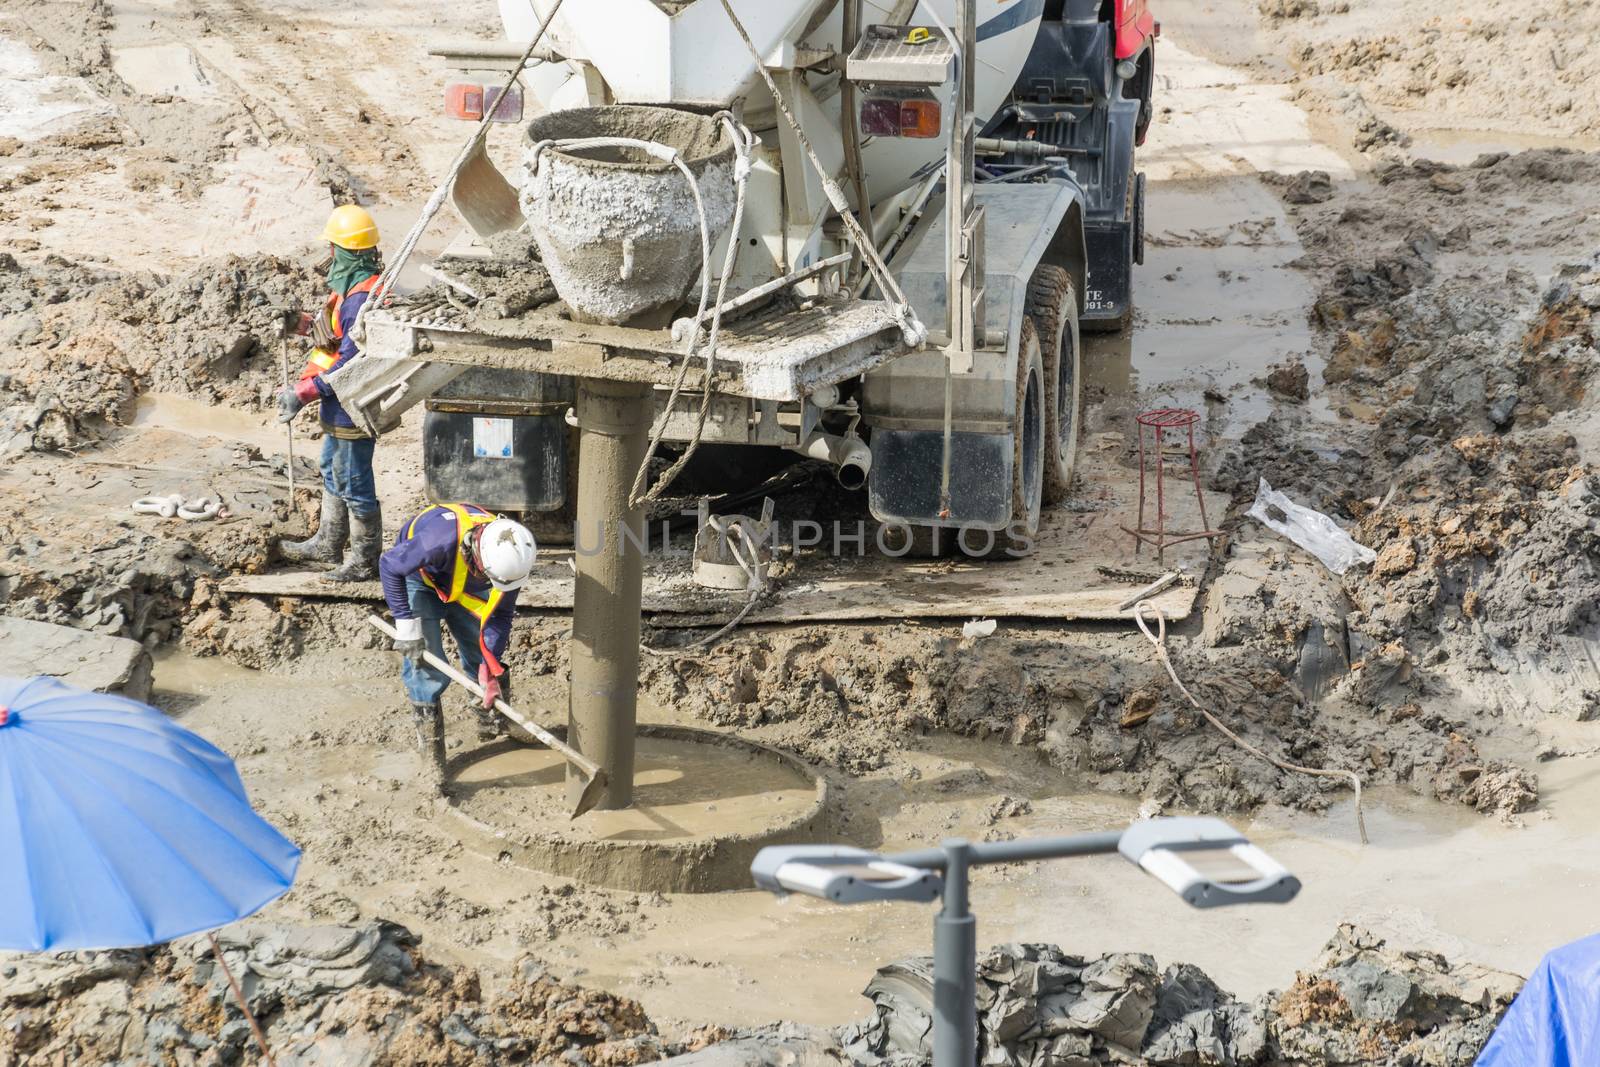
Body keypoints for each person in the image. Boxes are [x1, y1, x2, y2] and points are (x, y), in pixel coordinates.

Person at [379, 503, 538, 790]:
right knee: (425, 666)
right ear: (478, 558)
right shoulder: (436, 541)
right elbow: (389, 565)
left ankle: (495, 727)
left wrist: (489, 668)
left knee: (483, 657)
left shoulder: (512, 557)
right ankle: (433, 759)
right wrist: (406, 627)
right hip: (423, 580)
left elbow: (499, 616)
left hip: (467, 585)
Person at [277, 204, 385, 583]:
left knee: (354, 481)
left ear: (347, 251)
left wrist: (304, 392)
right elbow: (337, 338)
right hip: (337, 405)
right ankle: (328, 542)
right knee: (331, 470)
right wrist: (303, 324)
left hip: (352, 406)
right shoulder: (354, 289)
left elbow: (353, 363)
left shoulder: (361, 298)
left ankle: (364, 560)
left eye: (334, 248)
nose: (330, 257)